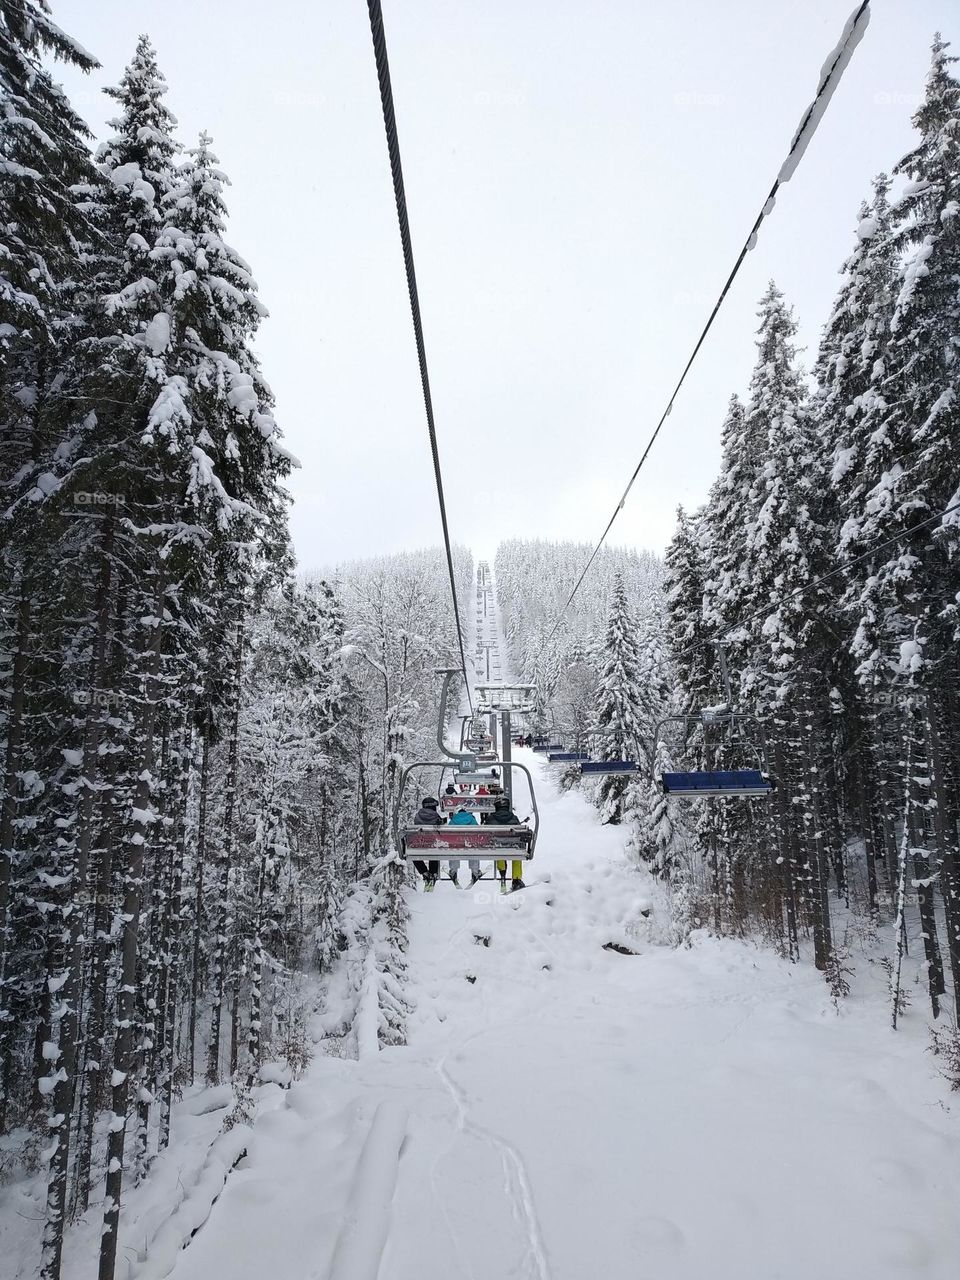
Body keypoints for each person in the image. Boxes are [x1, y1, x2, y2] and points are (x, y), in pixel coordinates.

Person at [483, 795, 525, 892]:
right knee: (517, 854)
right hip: (513, 847)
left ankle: (502, 874)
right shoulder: (514, 818)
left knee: (499, 849)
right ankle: (516, 879)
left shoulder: (490, 818)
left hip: (497, 847)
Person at [412, 795, 443, 890]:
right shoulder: (436, 816)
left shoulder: (418, 816)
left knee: (412, 853)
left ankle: (424, 872)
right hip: (434, 845)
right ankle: (433, 873)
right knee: (434, 850)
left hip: (420, 844)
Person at [447, 807, 481, 886]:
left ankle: (453, 871)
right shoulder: (472, 819)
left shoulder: (453, 820)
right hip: (470, 845)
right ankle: (475, 872)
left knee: (454, 849)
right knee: (473, 849)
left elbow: (448, 834)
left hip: (457, 845)